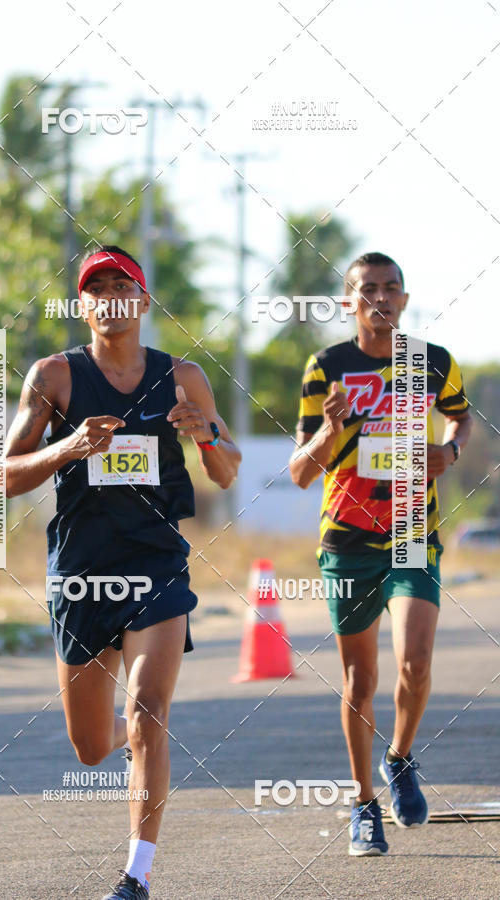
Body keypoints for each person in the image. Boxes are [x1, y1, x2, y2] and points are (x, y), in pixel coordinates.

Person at [4, 245, 241, 898]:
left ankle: (135, 877)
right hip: (81, 571)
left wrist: (207, 437)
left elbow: (226, 468)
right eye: (96, 286)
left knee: (148, 713)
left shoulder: (183, 376)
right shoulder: (54, 377)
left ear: (143, 300)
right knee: (89, 746)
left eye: (123, 284)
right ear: (83, 305)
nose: (110, 295)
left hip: (156, 566)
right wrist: (70, 445)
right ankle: (127, 736)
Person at [289, 251, 472, 856]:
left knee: (415, 664)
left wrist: (450, 450)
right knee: (359, 679)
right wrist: (330, 430)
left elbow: (460, 419)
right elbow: (299, 471)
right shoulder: (328, 367)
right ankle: (363, 804)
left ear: (405, 298)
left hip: (413, 531)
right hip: (347, 539)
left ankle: (399, 757)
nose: (381, 298)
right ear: (349, 302)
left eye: (392, 288)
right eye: (368, 289)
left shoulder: (431, 361)